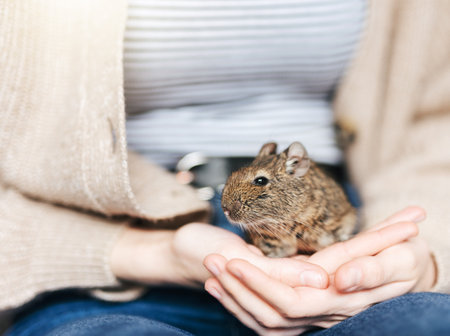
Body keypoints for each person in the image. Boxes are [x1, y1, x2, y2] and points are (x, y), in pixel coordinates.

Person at [1, 0, 449, 335]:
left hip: (350, 252)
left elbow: (435, 123)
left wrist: (420, 256)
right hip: (120, 258)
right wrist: (148, 253)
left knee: (428, 324)